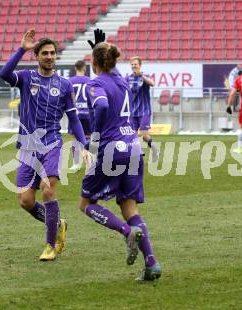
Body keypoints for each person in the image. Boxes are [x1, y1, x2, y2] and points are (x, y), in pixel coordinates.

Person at [0, 29, 90, 261]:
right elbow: (4, 73)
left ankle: (50, 245)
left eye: (53, 53)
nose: (50, 56)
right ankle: (58, 223)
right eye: (45, 53)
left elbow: (74, 118)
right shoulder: (27, 78)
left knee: (48, 190)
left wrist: (84, 144)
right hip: (28, 147)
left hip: (51, 144)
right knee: (25, 201)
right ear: (37, 56)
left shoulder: (65, 85)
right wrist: (21, 49)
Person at [78, 42, 161, 281]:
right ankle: (151, 264)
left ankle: (127, 233)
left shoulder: (95, 83)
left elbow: (102, 104)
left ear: (94, 64)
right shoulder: (122, 80)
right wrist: (103, 50)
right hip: (133, 147)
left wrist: (93, 140)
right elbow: (110, 69)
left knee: (86, 204)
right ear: (113, 62)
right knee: (129, 207)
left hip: (111, 148)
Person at [126, 56, 159, 161]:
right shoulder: (128, 78)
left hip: (144, 110)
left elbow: (152, 83)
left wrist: (142, 76)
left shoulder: (145, 76)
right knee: (132, 135)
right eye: (132, 64)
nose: (133, 66)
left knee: (144, 135)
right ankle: (138, 152)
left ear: (140, 65)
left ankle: (154, 149)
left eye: (135, 64)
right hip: (133, 112)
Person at [68, 60, 91, 172]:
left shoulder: (70, 81)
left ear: (75, 68)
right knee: (89, 137)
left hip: (75, 113)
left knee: (75, 138)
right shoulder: (90, 81)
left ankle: (76, 164)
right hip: (88, 113)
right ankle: (89, 163)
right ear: (84, 68)